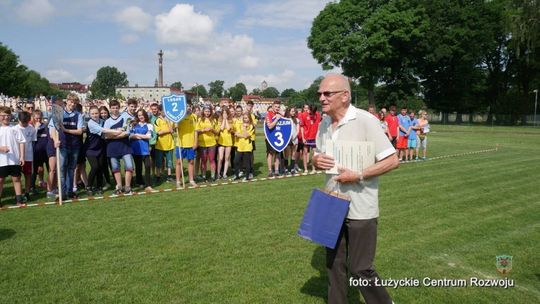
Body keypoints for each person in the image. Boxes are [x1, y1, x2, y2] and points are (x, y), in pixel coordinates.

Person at [312, 74, 399, 304]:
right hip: (331, 202)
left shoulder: (365, 120)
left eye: (327, 93)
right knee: (333, 264)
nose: (321, 98)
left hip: (361, 207)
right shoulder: (323, 122)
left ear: (345, 95)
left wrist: (358, 174)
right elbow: (318, 153)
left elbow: (392, 160)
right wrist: (316, 160)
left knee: (361, 268)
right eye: (320, 93)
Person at [49, 94, 84, 200]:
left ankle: (70, 191)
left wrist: (66, 130)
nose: (72, 104)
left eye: (74, 103)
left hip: (75, 146)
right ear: (67, 101)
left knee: (71, 169)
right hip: (63, 145)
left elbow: (79, 131)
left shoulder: (79, 115)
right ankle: (62, 193)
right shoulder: (59, 113)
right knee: (62, 169)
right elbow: (52, 129)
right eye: (71, 102)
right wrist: (55, 140)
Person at [84, 106, 122, 195]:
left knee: (101, 168)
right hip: (90, 149)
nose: (95, 115)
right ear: (89, 115)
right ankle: (88, 186)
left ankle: (99, 187)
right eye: (92, 114)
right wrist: (116, 131)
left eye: (96, 113)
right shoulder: (90, 123)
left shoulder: (102, 121)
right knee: (95, 167)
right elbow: (103, 130)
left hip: (100, 149)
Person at [103, 100, 134, 195]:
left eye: (116, 107)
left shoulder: (126, 117)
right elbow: (106, 136)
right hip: (112, 147)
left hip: (125, 146)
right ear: (110, 109)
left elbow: (128, 132)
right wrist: (118, 131)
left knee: (130, 166)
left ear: (119, 108)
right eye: (113, 108)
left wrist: (113, 134)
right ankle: (119, 187)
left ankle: (127, 187)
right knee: (115, 168)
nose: (115, 110)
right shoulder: (107, 121)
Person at [0, 106, 27, 207]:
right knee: (0, 180)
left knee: (16, 179)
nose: (6, 117)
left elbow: (22, 142)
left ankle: (19, 200)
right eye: (3, 115)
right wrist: (1, 149)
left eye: (8, 115)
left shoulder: (15, 128)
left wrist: (22, 157)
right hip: (1, 161)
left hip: (14, 160)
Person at [130, 109, 154, 192]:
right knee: (138, 167)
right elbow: (130, 136)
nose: (141, 117)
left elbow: (148, 136)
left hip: (145, 149)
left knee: (147, 166)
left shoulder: (149, 125)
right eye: (139, 115)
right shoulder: (134, 124)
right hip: (136, 149)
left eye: (142, 115)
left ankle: (148, 185)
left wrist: (137, 135)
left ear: (145, 115)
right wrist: (141, 136)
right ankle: (140, 182)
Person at [176, 104, 198, 188]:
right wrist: (176, 124)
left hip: (191, 143)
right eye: (186, 106)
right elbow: (174, 128)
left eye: (189, 106)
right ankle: (178, 181)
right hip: (180, 143)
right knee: (178, 162)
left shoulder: (194, 117)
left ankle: (191, 180)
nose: (188, 108)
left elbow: (196, 130)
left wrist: (195, 142)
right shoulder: (178, 117)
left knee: (191, 162)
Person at [17, 111, 36, 201]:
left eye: (26, 122)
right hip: (16, 157)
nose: (24, 124)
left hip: (28, 156)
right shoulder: (14, 129)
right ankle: (18, 194)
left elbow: (33, 141)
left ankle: (27, 193)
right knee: (17, 176)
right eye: (23, 122)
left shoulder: (32, 128)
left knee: (28, 175)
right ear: (18, 120)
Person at [196, 105, 219, 182]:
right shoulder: (199, 120)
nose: (207, 113)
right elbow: (196, 131)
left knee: (212, 160)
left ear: (211, 112)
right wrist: (203, 130)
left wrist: (212, 129)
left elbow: (217, 132)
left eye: (208, 111)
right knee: (204, 160)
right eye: (206, 111)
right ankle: (203, 176)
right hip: (202, 143)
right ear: (203, 111)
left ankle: (213, 176)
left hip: (212, 143)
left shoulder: (214, 120)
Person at [154, 105, 175, 183]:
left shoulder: (170, 119)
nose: (164, 112)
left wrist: (167, 121)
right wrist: (169, 131)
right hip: (160, 145)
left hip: (170, 144)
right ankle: (158, 176)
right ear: (159, 111)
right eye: (163, 110)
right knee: (159, 162)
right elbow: (159, 132)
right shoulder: (157, 120)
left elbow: (172, 130)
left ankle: (169, 176)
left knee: (169, 162)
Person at [232, 113, 255, 181]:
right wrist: (241, 134)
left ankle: (247, 176)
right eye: (244, 118)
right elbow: (236, 134)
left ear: (249, 119)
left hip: (247, 147)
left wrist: (244, 129)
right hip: (240, 146)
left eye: (247, 118)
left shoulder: (251, 126)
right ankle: (236, 175)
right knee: (236, 161)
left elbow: (246, 135)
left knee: (246, 162)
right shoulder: (240, 125)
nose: (245, 119)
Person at [265, 101, 282, 177]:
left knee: (278, 154)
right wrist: (276, 119)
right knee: (270, 154)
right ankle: (270, 171)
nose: (277, 108)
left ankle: (276, 170)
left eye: (278, 107)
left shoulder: (280, 115)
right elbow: (270, 126)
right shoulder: (268, 114)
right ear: (272, 107)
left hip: (278, 137)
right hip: (270, 137)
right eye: (276, 106)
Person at [217, 107, 233, 179]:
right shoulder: (219, 120)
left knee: (227, 158)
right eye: (223, 113)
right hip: (221, 141)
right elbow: (221, 128)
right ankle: (218, 173)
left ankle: (224, 174)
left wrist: (226, 119)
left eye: (226, 113)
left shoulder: (231, 120)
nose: (224, 114)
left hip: (228, 142)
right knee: (220, 158)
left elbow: (229, 128)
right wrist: (223, 119)